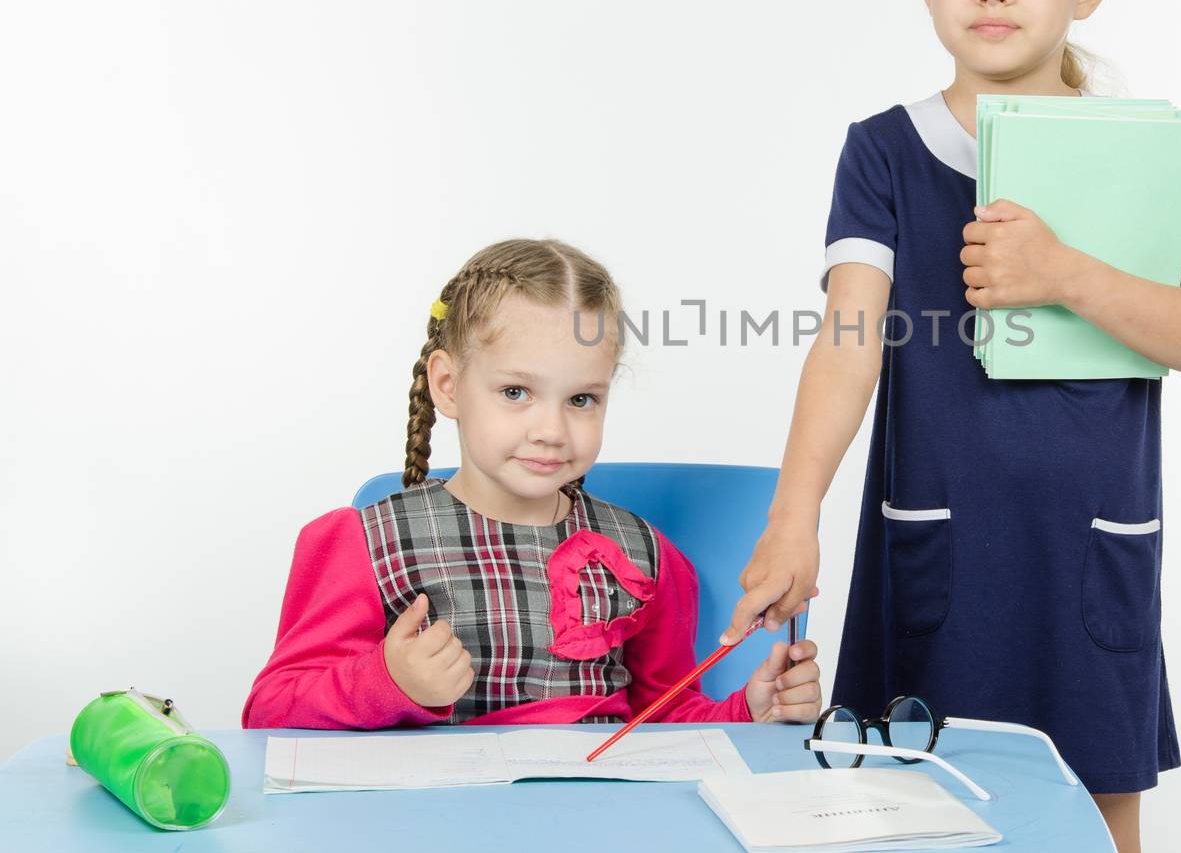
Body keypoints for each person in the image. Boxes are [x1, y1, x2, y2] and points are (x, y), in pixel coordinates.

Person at [719, 0, 1181, 852]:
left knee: (1095, 814)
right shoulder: (883, 152)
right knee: (915, 813)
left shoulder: (1141, 154)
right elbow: (848, 334)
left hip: (1092, 558)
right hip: (941, 554)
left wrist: (1067, 274)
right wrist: (795, 514)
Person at [244, 238, 822, 730]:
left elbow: (662, 718)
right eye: (516, 392)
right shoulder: (365, 544)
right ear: (447, 385)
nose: (550, 430)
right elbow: (269, 711)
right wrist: (388, 681)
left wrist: (749, 709)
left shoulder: (645, 554)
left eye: (581, 399)